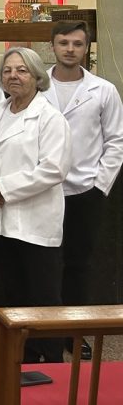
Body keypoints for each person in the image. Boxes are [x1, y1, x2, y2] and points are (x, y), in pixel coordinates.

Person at [0, 47, 72, 364]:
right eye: (7, 70)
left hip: (35, 222)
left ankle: (52, 361)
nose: (13, 75)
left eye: (22, 70)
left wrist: (2, 187)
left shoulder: (50, 118)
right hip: (0, 220)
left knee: (43, 297)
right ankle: (25, 357)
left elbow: (53, 169)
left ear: (37, 76)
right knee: (15, 293)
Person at [45, 21, 123, 359]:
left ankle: (73, 332)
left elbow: (116, 141)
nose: (70, 49)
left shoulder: (103, 90)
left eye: (77, 43)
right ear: (52, 46)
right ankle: (44, 332)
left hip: (84, 191)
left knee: (78, 264)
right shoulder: (36, 85)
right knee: (45, 264)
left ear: (86, 47)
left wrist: (99, 185)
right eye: (63, 42)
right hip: (43, 190)